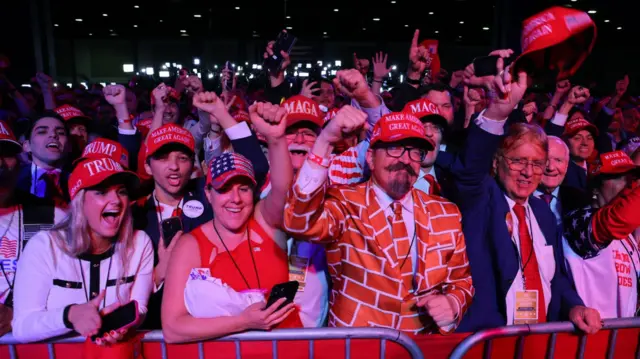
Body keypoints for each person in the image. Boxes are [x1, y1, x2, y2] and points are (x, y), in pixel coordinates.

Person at [284, 109, 474, 333]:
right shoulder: (345, 203)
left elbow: (462, 282)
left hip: (422, 348)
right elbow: (298, 222)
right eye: (395, 148)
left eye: (415, 152)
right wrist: (325, 140)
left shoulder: (446, 213)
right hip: (357, 347)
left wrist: (453, 303)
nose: (405, 159)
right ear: (371, 158)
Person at [454, 54, 601, 333]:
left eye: (536, 164)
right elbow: (469, 171)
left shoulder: (544, 213)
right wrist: (498, 112)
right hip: (487, 342)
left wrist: (574, 306)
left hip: (535, 339)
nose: (527, 172)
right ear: (497, 164)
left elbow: (554, 276)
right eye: (518, 161)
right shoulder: (481, 198)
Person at [162, 102, 300, 343]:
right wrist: (243, 322)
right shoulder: (191, 245)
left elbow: (283, 189)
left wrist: (276, 139)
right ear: (208, 194)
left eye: (243, 189)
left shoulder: (265, 222)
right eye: (224, 189)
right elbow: (173, 328)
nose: (235, 199)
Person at [132, 91, 269, 329]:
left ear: (193, 163)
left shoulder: (208, 194)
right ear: (147, 165)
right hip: (153, 330)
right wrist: (158, 273)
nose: (174, 167)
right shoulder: (135, 214)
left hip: (211, 327)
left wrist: (220, 112)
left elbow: (256, 166)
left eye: (183, 158)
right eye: (163, 158)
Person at [11, 156, 153, 347]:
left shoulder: (140, 243)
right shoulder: (44, 246)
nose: (116, 201)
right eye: (101, 192)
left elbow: (140, 309)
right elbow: (21, 327)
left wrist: (114, 325)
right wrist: (70, 315)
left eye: (122, 191)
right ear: (80, 201)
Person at [0, 120, 66, 336]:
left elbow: (68, 280)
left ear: (18, 161)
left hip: (33, 342)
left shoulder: (52, 214)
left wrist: (16, 310)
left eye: (6, 153)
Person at [563, 151, 640, 318]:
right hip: (589, 336)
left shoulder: (628, 239)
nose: (627, 184)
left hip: (622, 336)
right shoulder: (579, 220)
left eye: (630, 178)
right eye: (619, 177)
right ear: (596, 187)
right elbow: (620, 219)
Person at [534, 136, 588, 227]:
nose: (551, 167)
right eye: (545, 160)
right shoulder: (520, 197)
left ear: (566, 166)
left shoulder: (580, 200)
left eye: (558, 160)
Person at [17, 112, 70, 204]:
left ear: (69, 146)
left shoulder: (80, 180)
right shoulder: (12, 180)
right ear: (26, 146)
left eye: (61, 133)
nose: (53, 135)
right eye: (42, 132)